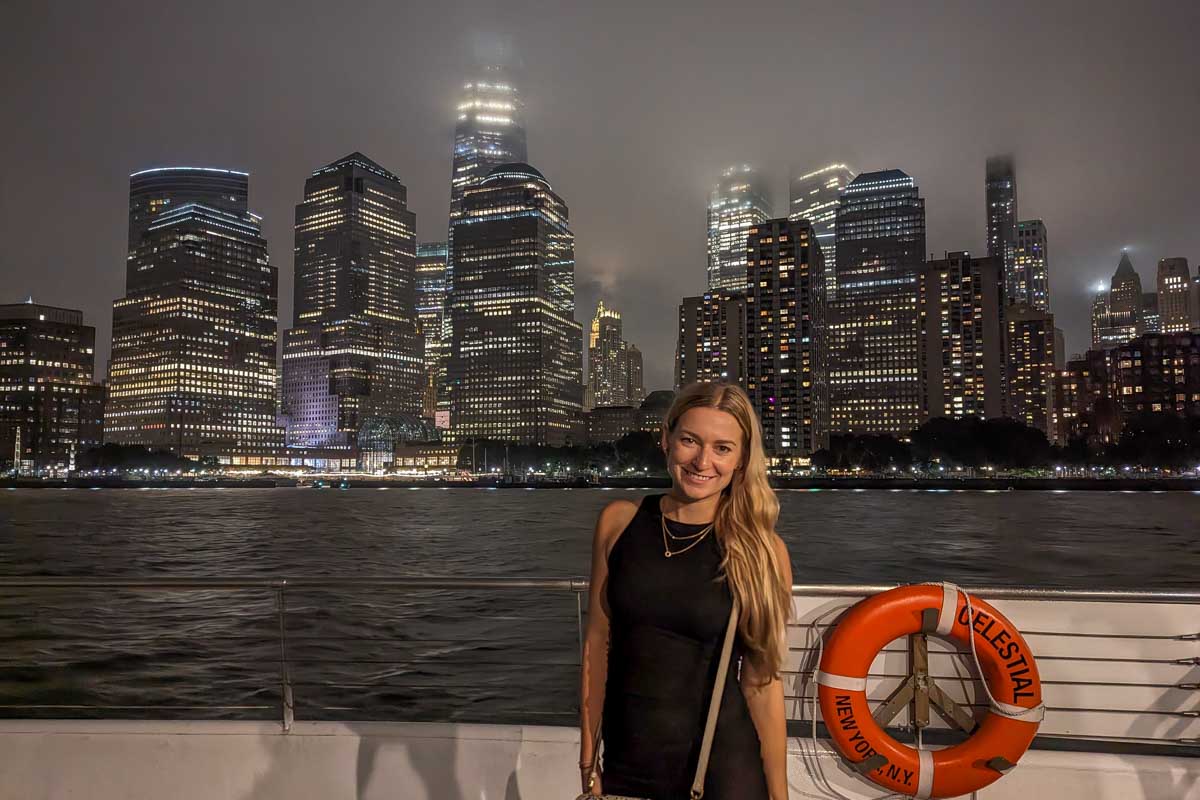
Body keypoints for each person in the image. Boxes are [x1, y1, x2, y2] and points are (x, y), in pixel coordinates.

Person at [578, 381, 793, 799]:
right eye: (690, 441)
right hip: (628, 766)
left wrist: (780, 796)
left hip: (725, 771)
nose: (702, 461)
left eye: (722, 448)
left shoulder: (761, 550)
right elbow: (596, 647)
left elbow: (761, 684)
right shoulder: (618, 523)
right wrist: (589, 763)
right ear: (666, 439)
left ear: (742, 459)